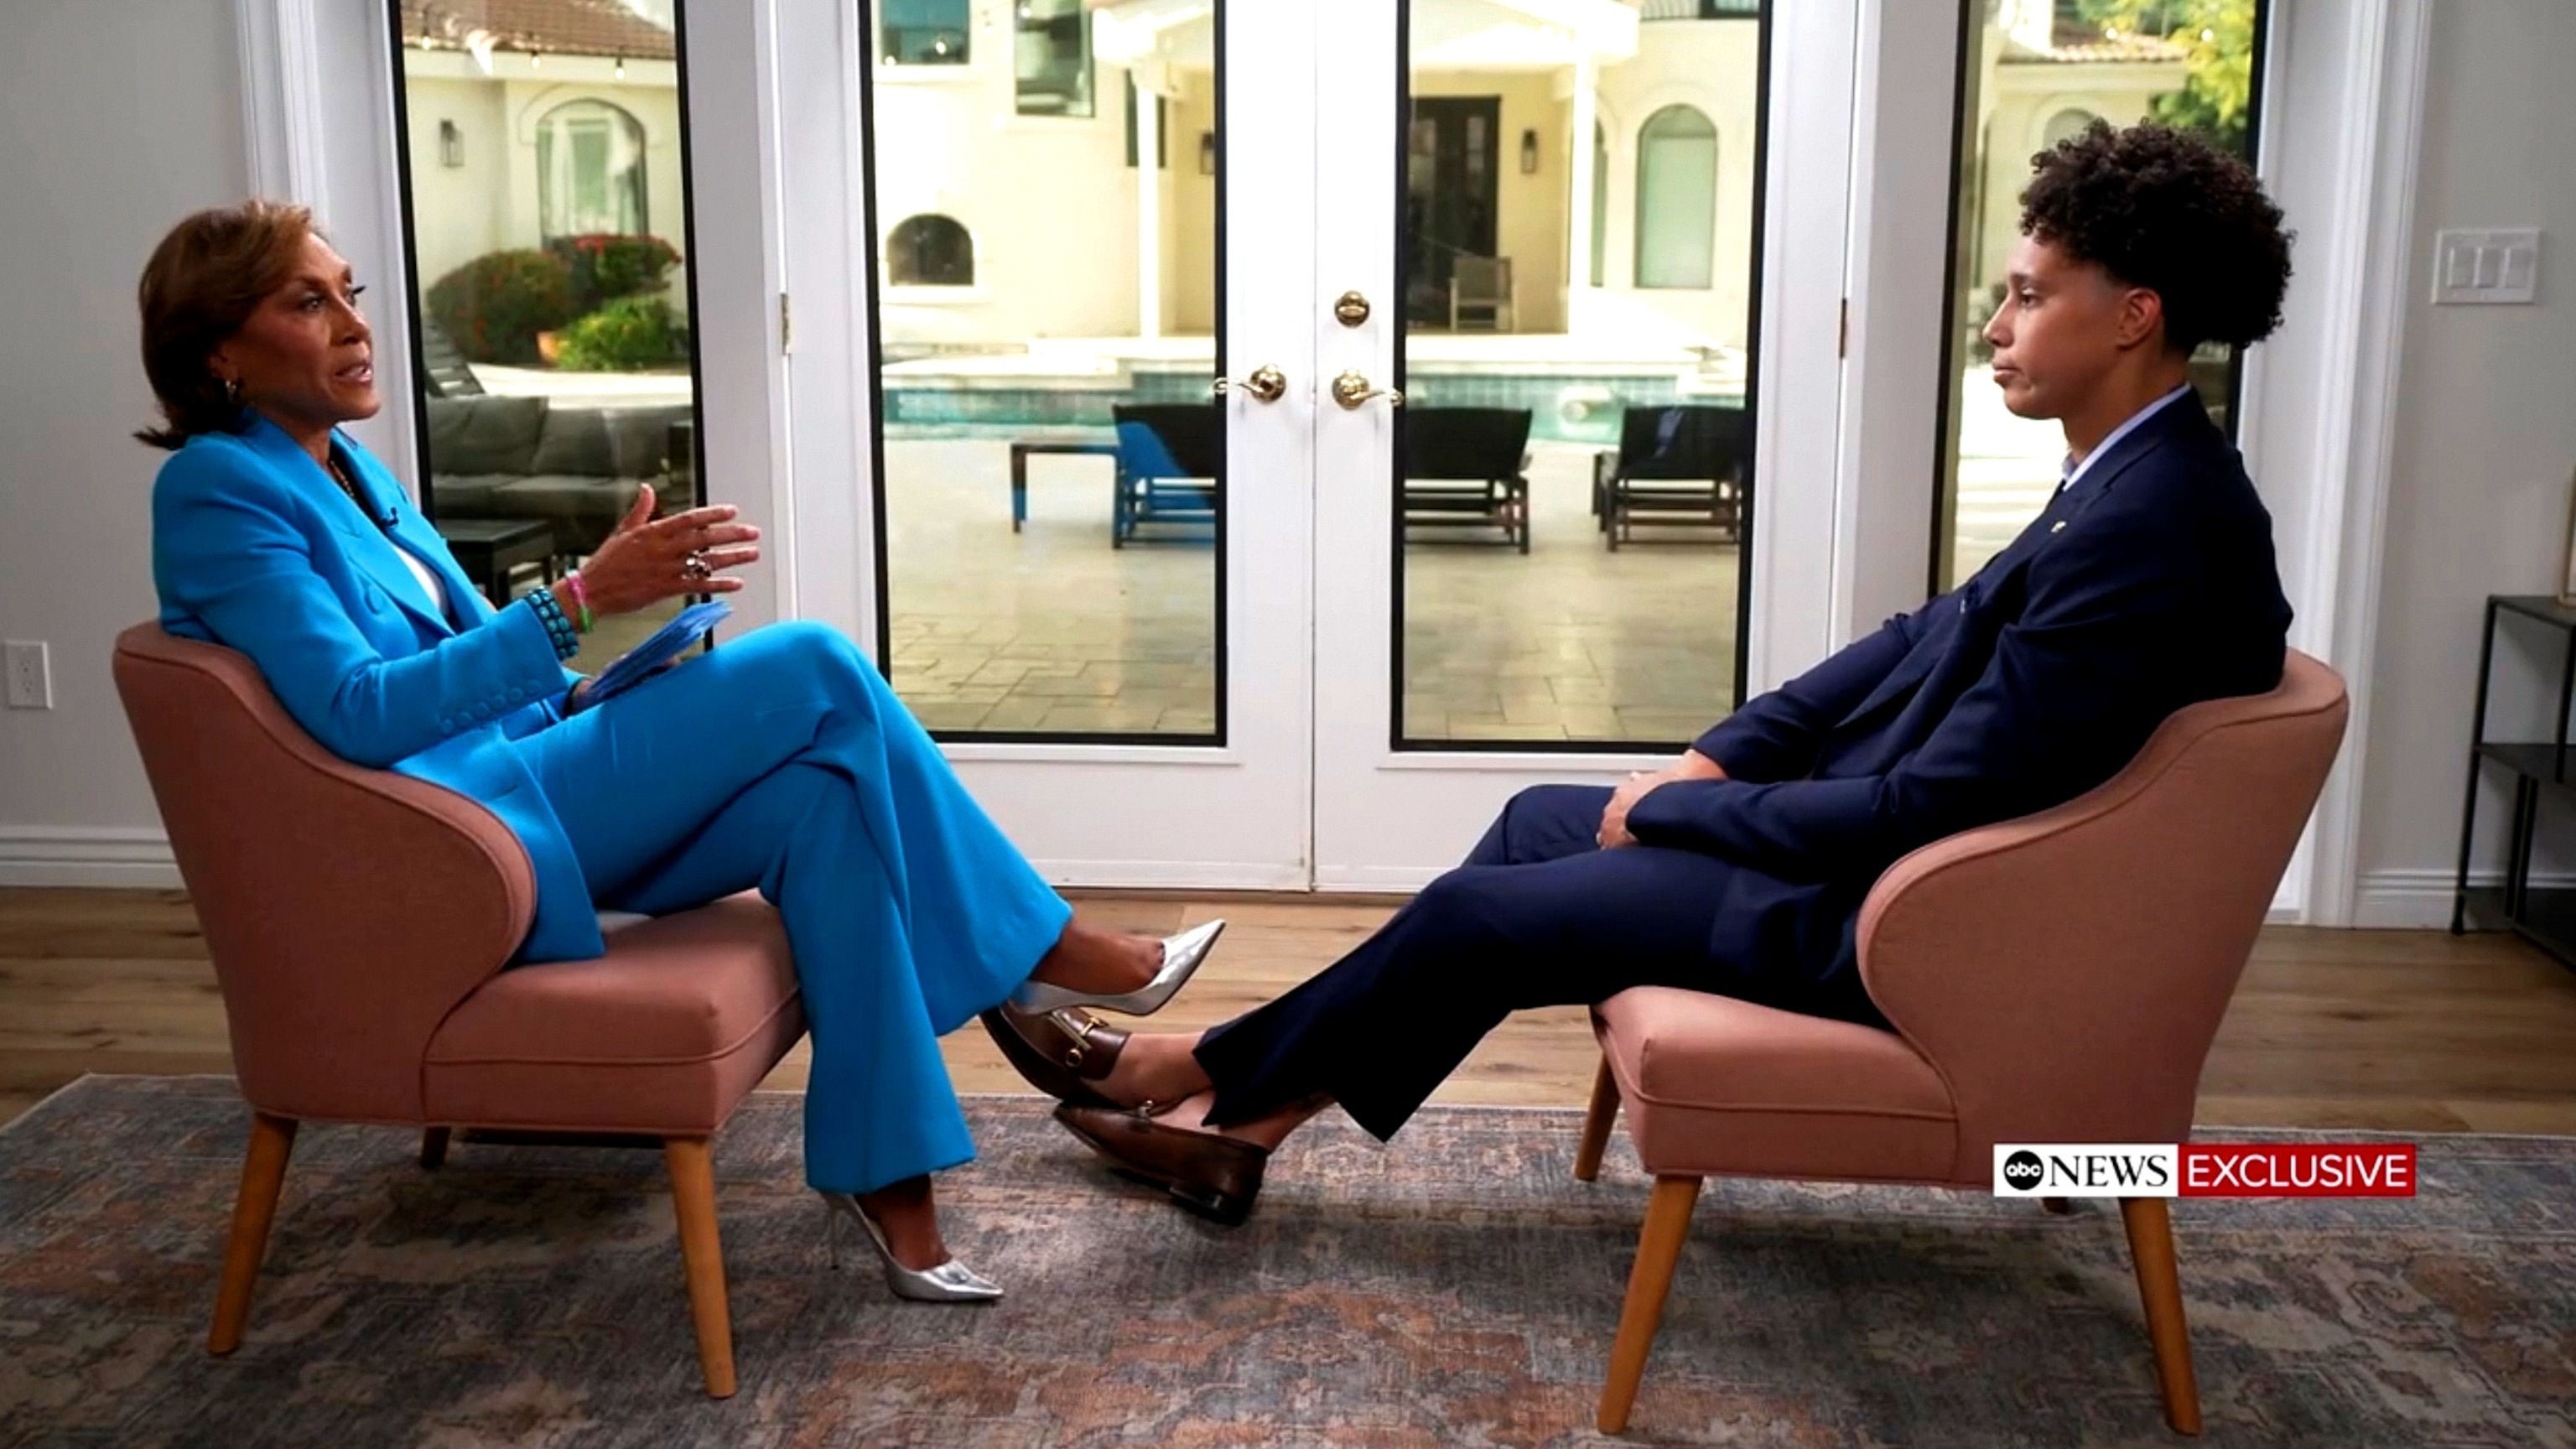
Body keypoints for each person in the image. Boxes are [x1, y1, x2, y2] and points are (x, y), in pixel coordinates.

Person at [989, 120, 2298, 1224]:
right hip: (1900, 869)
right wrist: (1722, 752)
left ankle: (1190, 1068)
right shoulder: (2130, 479)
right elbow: (1914, 643)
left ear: (2135, 317)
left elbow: (1929, 809)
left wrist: (1680, 811)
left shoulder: (2153, 531)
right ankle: (1246, 1126)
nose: (1997, 323)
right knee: (1534, 820)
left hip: (1915, 924)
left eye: (2029, 294)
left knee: (1479, 919)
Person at [140, 200, 1223, 1301]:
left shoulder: (355, 475)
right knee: (812, 661)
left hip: (526, 787)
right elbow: (360, 711)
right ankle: (1049, 953)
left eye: (351, 295)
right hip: (454, 845)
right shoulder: (217, 490)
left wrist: (608, 681)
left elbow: (489, 664)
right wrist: (577, 602)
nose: (352, 325)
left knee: (823, 794)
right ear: (221, 350)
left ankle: (890, 1178)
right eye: (306, 302)